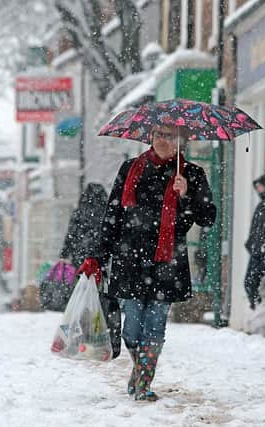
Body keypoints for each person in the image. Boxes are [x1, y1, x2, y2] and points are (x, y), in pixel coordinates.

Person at [78, 125, 216, 401]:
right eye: (158, 134)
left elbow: (207, 218)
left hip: (168, 262)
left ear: (182, 141)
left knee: (154, 324)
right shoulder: (131, 168)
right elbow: (113, 215)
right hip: (130, 259)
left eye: (169, 135)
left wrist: (187, 194)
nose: (162, 140)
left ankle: (143, 382)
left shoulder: (192, 174)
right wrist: (97, 255)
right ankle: (141, 367)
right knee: (131, 327)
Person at [60, 183, 109, 268]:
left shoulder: (79, 212)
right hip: (99, 256)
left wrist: (64, 253)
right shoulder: (106, 213)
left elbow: (71, 232)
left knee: (81, 278)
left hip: (80, 254)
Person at [244, 173, 265, 310]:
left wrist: (260, 246)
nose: (258, 190)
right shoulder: (263, 206)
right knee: (250, 282)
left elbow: (263, 230)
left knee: (254, 282)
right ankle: (258, 308)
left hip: (263, 251)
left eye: (260, 186)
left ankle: (260, 309)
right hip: (259, 250)